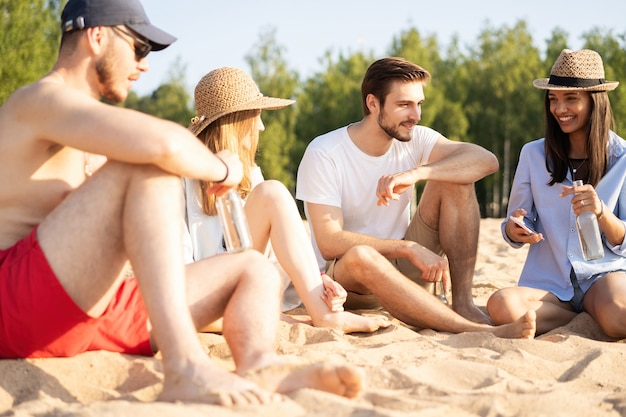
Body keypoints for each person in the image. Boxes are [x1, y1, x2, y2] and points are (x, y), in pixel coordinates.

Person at [0, 0, 364, 406]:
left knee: (254, 268)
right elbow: (164, 144)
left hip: (94, 311)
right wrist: (222, 169)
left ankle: (259, 365)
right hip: (19, 304)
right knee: (147, 165)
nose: (145, 65)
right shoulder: (37, 101)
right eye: (139, 47)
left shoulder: (83, 124)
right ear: (97, 36)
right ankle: (184, 365)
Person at [296, 56, 536, 339]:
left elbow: (486, 160)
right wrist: (407, 247)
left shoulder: (416, 139)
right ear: (373, 104)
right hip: (348, 285)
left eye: (419, 104)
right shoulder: (325, 152)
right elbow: (328, 242)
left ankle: (463, 305)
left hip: (407, 273)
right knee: (362, 256)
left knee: (455, 180)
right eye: (404, 105)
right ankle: (475, 331)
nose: (416, 115)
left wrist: (418, 173)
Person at [184, 67, 390, 334]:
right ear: (237, 122)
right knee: (273, 192)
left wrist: (320, 284)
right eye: (255, 116)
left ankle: (321, 308)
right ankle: (324, 316)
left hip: (245, 285)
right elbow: (178, 287)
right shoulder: (179, 182)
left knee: (271, 192)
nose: (261, 126)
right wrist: (285, 319)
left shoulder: (251, 175)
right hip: (205, 296)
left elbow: (276, 256)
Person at [486, 49, 626, 337]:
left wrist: (602, 212)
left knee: (618, 319)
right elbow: (515, 223)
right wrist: (516, 229)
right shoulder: (533, 154)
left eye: (570, 98)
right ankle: (580, 315)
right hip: (549, 285)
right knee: (501, 305)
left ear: (594, 101)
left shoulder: (622, 157)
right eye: (553, 99)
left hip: (604, 276)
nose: (559, 108)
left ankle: (595, 308)